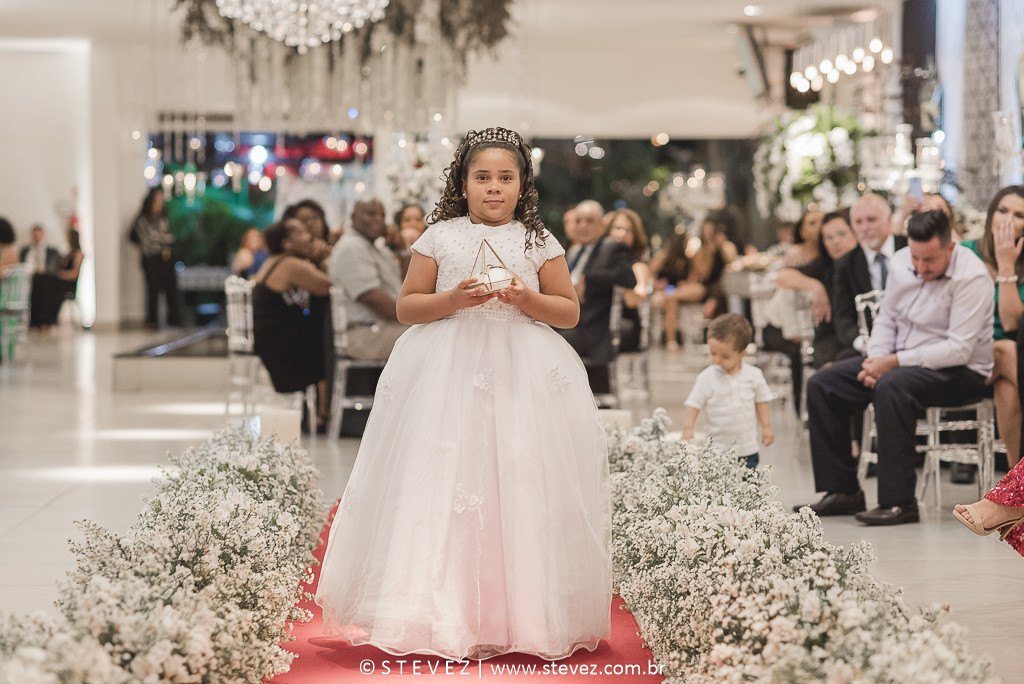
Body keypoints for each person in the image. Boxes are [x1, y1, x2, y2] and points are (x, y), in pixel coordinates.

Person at [315, 127, 611, 661]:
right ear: (463, 182)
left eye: (506, 178)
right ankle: (437, 608)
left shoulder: (538, 240)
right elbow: (407, 307)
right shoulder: (439, 236)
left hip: (522, 368)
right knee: (445, 475)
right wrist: (452, 298)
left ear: (523, 185)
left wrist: (525, 297)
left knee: (518, 475)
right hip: (447, 368)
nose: (494, 188)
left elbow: (568, 311)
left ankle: (519, 611)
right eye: (482, 178)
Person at [796, 210, 994, 526]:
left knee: (893, 386)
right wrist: (875, 361)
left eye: (929, 259)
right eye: (916, 257)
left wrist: (892, 363)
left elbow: (958, 349)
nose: (920, 267)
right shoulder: (902, 261)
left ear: (950, 248)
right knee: (822, 384)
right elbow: (887, 317)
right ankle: (843, 491)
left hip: (962, 371)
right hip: (900, 361)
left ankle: (899, 502)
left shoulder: (972, 276)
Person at [961, 186, 1024, 470]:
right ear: (990, 215)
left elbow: (1012, 324)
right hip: (966, 353)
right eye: (1002, 210)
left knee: (1009, 392)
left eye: (1019, 214)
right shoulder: (964, 253)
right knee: (1006, 350)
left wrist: (1007, 264)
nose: (1008, 219)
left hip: (1007, 365)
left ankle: (1016, 488)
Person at [251, 218, 332, 428]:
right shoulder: (290, 264)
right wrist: (322, 259)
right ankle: (323, 414)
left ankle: (322, 412)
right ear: (287, 242)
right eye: (302, 232)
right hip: (280, 346)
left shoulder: (276, 260)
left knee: (316, 330)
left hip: (270, 340)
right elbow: (327, 286)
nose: (310, 237)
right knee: (322, 340)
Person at [558, 199, 637, 394]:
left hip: (595, 324)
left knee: (549, 339)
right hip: (569, 318)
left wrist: (589, 281)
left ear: (602, 225)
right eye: (578, 221)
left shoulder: (612, 247)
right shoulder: (572, 250)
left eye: (589, 221)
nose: (583, 226)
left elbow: (629, 279)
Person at [681, 314, 774, 469]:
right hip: (716, 449)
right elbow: (693, 404)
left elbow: (761, 401)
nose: (716, 360)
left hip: (747, 448)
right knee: (717, 489)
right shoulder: (706, 377)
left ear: (742, 354)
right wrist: (688, 428)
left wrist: (766, 426)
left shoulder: (753, 376)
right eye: (713, 353)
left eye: (724, 356)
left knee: (747, 488)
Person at [773, 209, 860, 367]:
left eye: (841, 234)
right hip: (831, 338)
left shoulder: (864, 263)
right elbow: (782, 276)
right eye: (829, 238)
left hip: (858, 335)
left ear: (855, 233)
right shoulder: (824, 266)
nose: (836, 242)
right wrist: (815, 285)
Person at [329, 199, 409, 360]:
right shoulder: (351, 246)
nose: (379, 219)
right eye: (371, 214)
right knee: (431, 339)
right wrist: (413, 318)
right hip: (363, 333)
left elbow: (409, 284)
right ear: (353, 217)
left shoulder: (377, 247)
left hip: (385, 327)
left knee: (434, 334)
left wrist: (401, 249)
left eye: (382, 215)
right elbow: (372, 298)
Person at [832, 194, 908, 354]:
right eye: (858, 222)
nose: (865, 228)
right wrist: (864, 344)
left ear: (889, 220)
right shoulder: (845, 264)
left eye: (871, 220)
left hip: (911, 337)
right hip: (869, 344)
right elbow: (843, 318)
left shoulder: (910, 248)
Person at [130, 188, 181, 330]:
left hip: (165, 257)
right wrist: (164, 238)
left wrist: (163, 239)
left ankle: (174, 320)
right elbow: (151, 238)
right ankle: (151, 321)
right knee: (152, 290)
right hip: (150, 258)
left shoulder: (163, 217)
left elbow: (168, 236)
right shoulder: (143, 219)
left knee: (171, 288)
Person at [605, 208, 651, 353]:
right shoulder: (600, 260)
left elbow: (634, 299)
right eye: (617, 228)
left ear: (635, 236)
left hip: (622, 325)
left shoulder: (637, 265)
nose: (622, 234)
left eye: (628, 230)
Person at [29, 227, 83, 329]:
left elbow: (74, 274)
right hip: (61, 280)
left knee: (47, 284)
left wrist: (60, 274)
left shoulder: (78, 253)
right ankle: (38, 320)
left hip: (68, 284)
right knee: (41, 282)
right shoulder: (68, 253)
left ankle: (48, 319)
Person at [282, 199, 332, 268]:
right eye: (304, 220)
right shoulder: (292, 259)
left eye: (314, 217)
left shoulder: (332, 247)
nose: (311, 223)